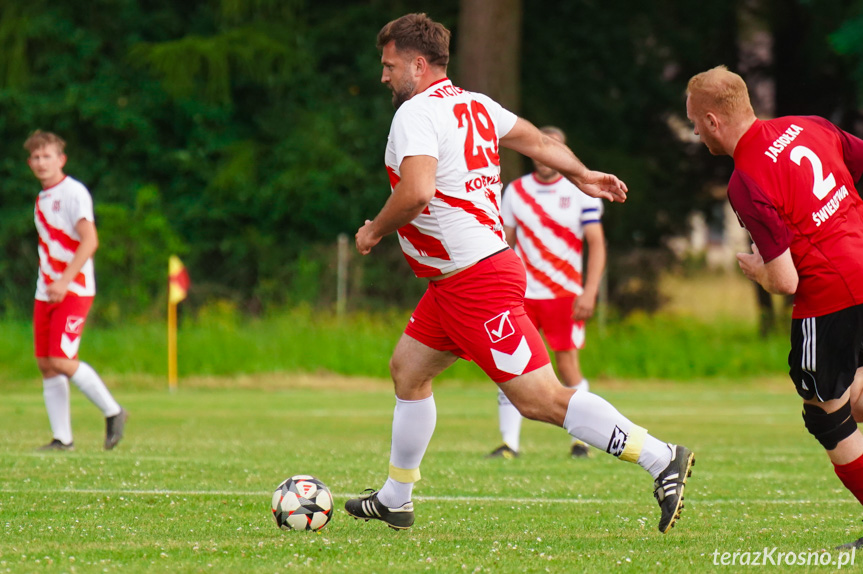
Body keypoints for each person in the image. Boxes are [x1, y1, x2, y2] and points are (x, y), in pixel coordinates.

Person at [344, 13, 694, 534]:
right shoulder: (476, 105)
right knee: (408, 371)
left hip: (476, 281)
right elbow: (537, 142)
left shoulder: (414, 115)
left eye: (390, 66)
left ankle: (661, 456)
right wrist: (583, 173)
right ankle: (397, 497)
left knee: (540, 400)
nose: (383, 76)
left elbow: (416, 192)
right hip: (454, 283)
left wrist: (374, 230)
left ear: (418, 64)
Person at [686, 66, 863, 549]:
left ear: (712, 120)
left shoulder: (746, 179)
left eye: (695, 125)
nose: (696, 134)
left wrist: (756, 270)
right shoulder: (810, 126)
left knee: (826, 412)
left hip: (831, 292)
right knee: (853, 394)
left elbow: (785, 280)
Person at [488, 126, 606, 459]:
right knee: (509, 365)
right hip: (521, 294)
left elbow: (596, 244)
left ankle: (581, 441)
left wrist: (590, 290)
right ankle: (509, 444)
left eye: (555, 147)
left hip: (565, 293)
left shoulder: (580, 192)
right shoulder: (516, 191)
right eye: (543, 148)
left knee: (568, 367)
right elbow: (505, 242)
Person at [25, 130, 128, 452]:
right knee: (45, 362)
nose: (42, 163)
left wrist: (64, 281)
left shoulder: (74, 192)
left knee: (61, 358)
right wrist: (50, 283)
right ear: (30, 162)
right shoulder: (42, 199)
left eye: (48, 156)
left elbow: (90, 240)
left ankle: (114, 411)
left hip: (73, 289)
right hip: (46, 291)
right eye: (36, 157)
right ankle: (62, 439)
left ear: (61, 159)